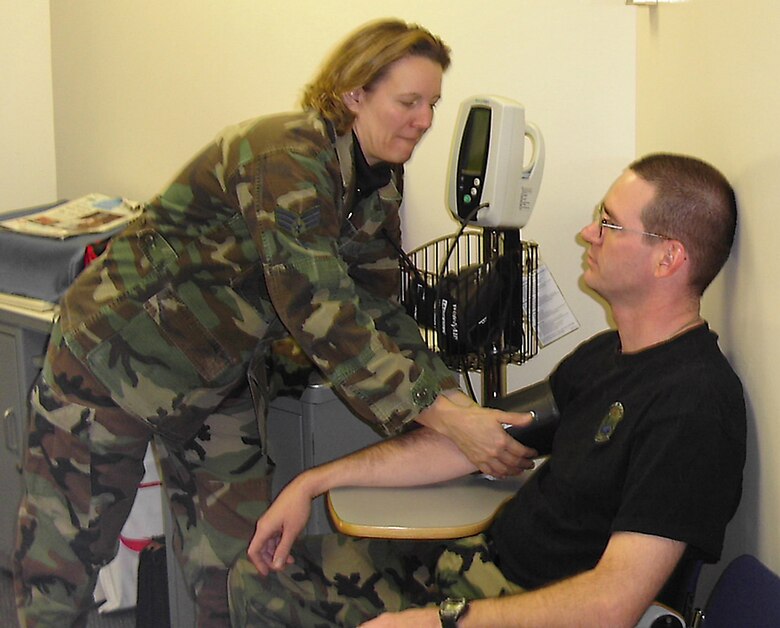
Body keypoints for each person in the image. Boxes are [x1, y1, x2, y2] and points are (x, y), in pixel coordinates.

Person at [13, 19, 533, 628]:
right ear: (354, 94)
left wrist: (449, 400)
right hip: (114, 359)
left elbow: (377, 303)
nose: (423, 121)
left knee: (243, 559)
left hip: (215, 370)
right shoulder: (284, 156)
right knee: (67, 555)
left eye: (433, 105)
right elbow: (318, 305)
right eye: (408, 102)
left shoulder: (377, 175)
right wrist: (446, 419)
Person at [233, 153, 747, 627]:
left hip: (526, 611)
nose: (589, 232)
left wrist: (437, 622)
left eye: (609, 224)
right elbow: (476, 438)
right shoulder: (607, 356)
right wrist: (311, 483)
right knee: (258, 582)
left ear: (668, 259)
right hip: (475, 569)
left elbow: (613, 604)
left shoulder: (693, 407)